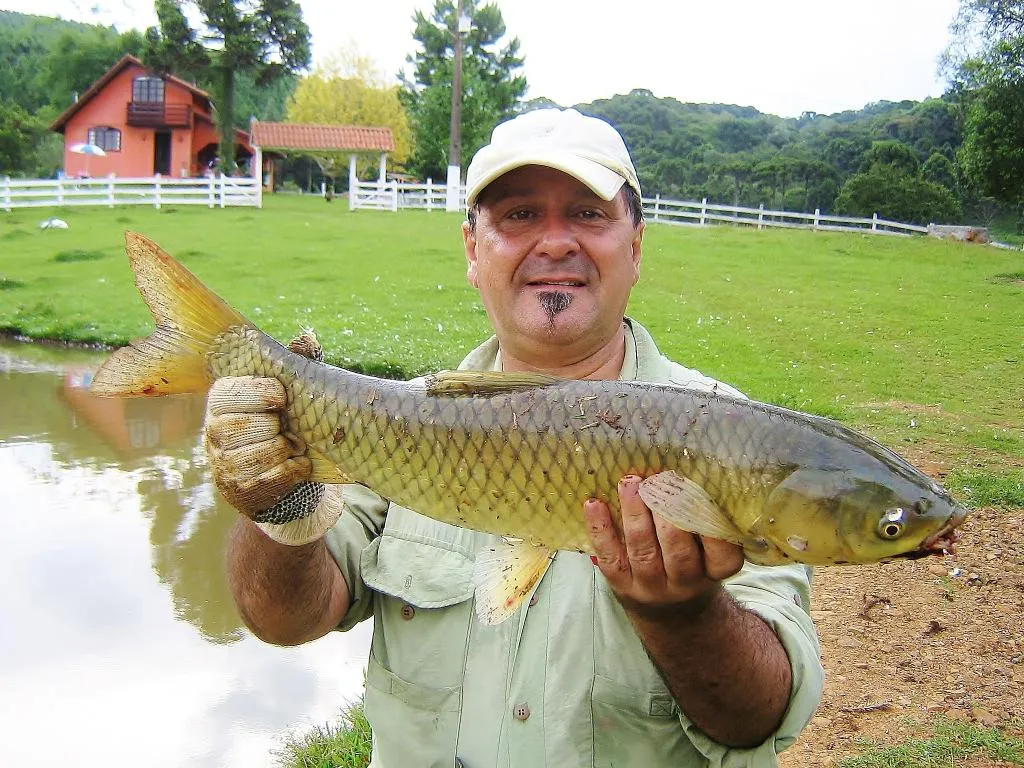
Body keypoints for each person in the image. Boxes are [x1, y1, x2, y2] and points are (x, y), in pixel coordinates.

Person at [205, 108, 824, 767]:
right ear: (474, 251)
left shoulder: (742, 443)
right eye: (519, 215)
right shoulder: (394, 420)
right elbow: (282, 618)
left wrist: (685, 615)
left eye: (588, 214)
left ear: (636, 246)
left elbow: (759, 716)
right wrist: (282, 510)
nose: (556, 242)